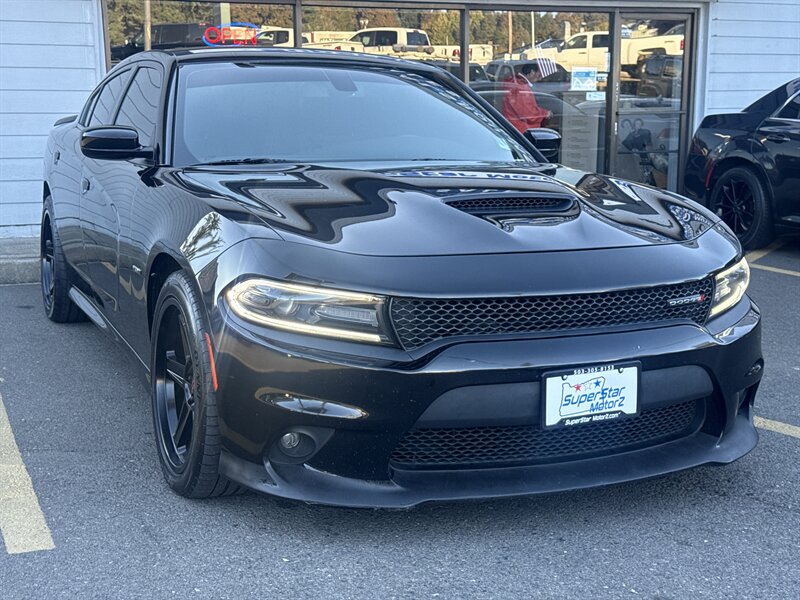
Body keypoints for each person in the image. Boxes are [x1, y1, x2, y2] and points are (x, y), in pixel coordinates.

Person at [500, 62, 551, 134]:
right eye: (539, 75)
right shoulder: (521, 87)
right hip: (521, 130)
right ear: (532, 72)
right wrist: (544, 114)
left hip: (512, 125)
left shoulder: (514, 83)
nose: (540, 79)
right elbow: (528, 114)